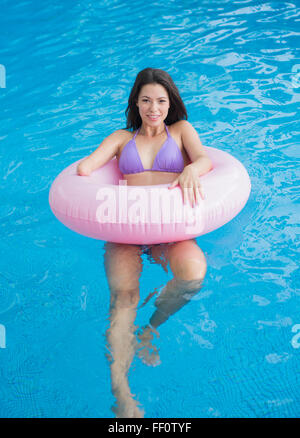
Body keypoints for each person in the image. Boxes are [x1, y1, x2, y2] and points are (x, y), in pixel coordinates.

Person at [77, 68, 213, 417]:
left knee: (193, 275)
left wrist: (192, 170)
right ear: (136, 103)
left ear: (171, 103)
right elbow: (85, 169)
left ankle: (150, 328)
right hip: (127, 232)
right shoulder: (122, 138)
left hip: (169, 231)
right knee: (124, 298)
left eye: (161, 101)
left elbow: (204, 159)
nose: (154, 108)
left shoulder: (180, 131)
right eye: (146, 100)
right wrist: (87, 174)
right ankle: (121, 391)